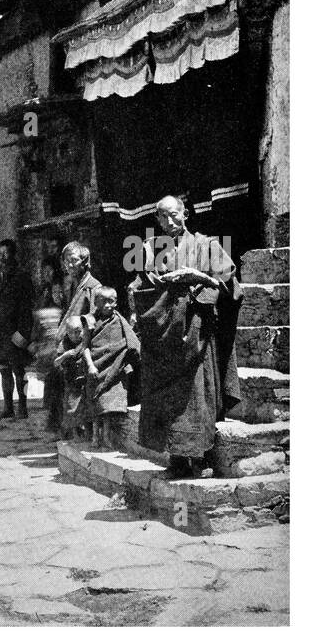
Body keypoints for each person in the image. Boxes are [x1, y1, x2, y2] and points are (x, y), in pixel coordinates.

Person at [129, 195, 242, 479]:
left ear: (185, 214)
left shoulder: (207, 245)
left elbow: (232, 287)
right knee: (170, 400)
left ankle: (198, 457)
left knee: (197, 396)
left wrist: (199, 277)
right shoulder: (152, 250)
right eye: (162, 217)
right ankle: (176, 459)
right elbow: (140, 288)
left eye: (173, 215)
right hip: (166, 339)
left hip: (197, 335)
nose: (168, 222)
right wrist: (146, 283)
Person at [43, 242, 102, 437]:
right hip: (66, 346)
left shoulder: (93, 287)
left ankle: (79, 434)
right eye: (66, 261)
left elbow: (93, 319)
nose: (69, 265)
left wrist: (76, 347)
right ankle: (65, 432)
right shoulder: (72, 285)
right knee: (59, 391)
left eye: (74, 261)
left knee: (76, 395)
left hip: (80, 349)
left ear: (85, 262)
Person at [79, 286, 140, 449]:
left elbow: (129, 340)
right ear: (96, 303)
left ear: (116, 302)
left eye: (111, 301)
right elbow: (84, 347)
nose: (108, 305)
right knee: (96, 401)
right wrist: (91, 365)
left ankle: (105, 436)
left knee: (107, 405)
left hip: (114, 367)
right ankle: (94, 436)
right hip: (96, 367)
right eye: (103, 301)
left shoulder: (119, 320)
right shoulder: (90, 321)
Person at [0, 239, 32, 421]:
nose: (2, 257)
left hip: (14, 332)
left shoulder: (21, 276)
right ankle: (8, 407)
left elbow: (27, 307)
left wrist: (24, 332)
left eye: (6, 253)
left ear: (13, 254)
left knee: (19, 370)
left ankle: (23, 407)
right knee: (3, 370)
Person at [52, 315, 86, 439]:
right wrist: (65, 355)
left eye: (78, 332)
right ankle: (71, 435)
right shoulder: (64, 343)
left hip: (84, 379)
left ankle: (83, 433)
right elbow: (56, 362)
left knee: (84, 408)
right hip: (70, 380)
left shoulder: (86, 341)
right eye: (71, 333)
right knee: (71, 407)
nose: (75, 336)